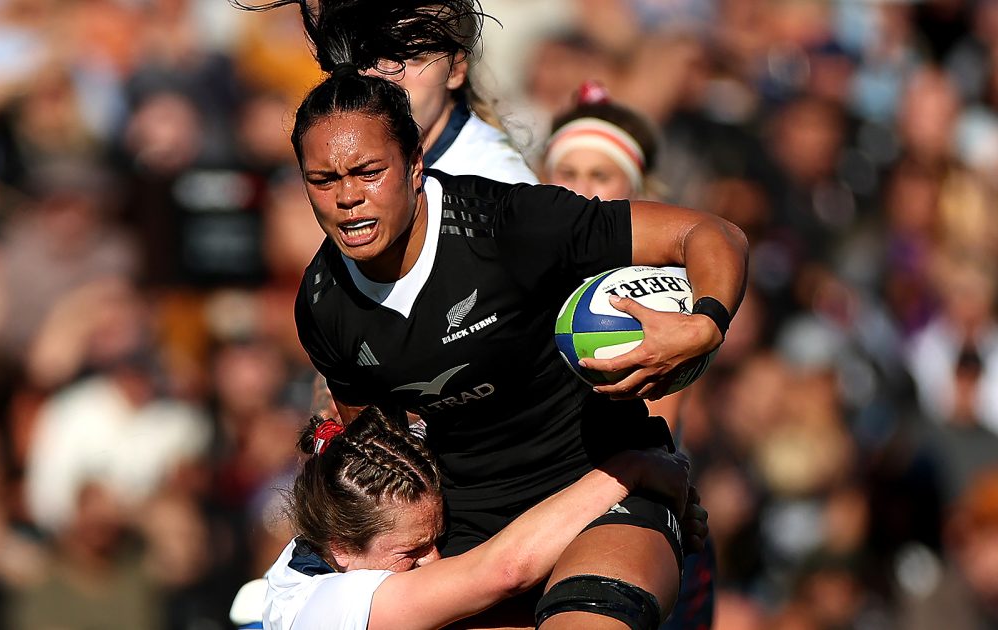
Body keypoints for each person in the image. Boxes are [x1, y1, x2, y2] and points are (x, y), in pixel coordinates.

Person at [288, 50, 748, 630]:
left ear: (415, 164)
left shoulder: (507, 224)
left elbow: (709, 232)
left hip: (609, 483)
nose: (347, 197)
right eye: (323, 180)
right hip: (466, 531)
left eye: (368, 172)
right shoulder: (324, 304)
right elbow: (384, 457)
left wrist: (704, 322)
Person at [263, 406, 702, 630]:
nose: (434, 559)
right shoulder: (320, 612)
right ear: (341, 549)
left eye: (435, 538)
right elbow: (504, 571)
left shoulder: (374, 484)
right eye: (410, 552)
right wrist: (634, 471)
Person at [541, 81, 717, 630]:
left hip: (633, 508)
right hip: (545, 509)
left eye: (601, 174)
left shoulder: (666, 297)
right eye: (567, 172)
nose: (582, 189)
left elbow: (657, 426)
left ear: (638, 189)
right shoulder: (518, 277)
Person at [233, 0, 537, 185]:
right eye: (375, 54)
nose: (389, 74)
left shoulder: (496, 182)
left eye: (415, 57)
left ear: (456, 70)